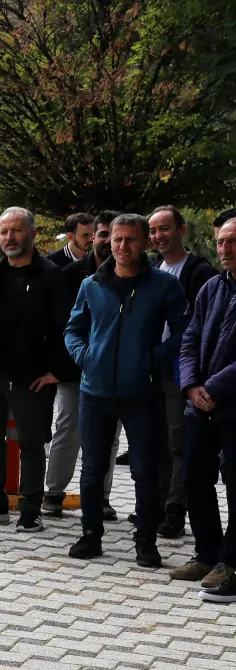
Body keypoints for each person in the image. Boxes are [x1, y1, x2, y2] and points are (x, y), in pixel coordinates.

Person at [65, 213, 188, 567]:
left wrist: (154, 358)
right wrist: (85, 356)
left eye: (130, 240)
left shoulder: (164, 285)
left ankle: (146, 542)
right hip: (95, 391)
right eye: (116, 239)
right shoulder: (92, 284)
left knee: (145, 470)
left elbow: (183, 331)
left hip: (142, 392)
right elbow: (73, 328)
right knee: (92, 469)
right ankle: (90, 536)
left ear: (144, 243)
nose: (122, 246)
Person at [0, 208, 66, 532]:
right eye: (4, 232)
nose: (10, 238)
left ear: (32, 233)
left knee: (31, 444)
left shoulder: (51, 275)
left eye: (17, 231)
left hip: (30, 376)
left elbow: (65, 326)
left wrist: (57, 370)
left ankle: (31, 509)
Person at [44, 211, 121, 519]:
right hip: (75, 369)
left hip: (117, 372)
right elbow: (61, 325)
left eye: (113, 236)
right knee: (66, 428)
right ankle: (53, 492)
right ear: (93, 238)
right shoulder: (73, 274)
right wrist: (65, 366)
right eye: (102, 235)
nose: (107, 242)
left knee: (110, 437)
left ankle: (101, 497)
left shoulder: (141, 276)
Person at [149, 205, 219, 538]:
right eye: (153, 231)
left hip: (180, 371)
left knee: (178, 441)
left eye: (165, 229)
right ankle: (160, 503)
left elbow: (199, 328)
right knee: (155, 441)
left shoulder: (200, 272)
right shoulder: (150, 267)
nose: (158, 236)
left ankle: (177, 509)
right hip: (149, 369)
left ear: (182, 231)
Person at [174, 218, 236, 593]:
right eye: (220, 242)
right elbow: (189, 340)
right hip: (200, 405)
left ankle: (231, 562)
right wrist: (190, 385)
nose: (224, 249)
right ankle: (207, 553)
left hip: (231, 405)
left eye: (232, 241)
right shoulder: (211, 287)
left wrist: (210, 386)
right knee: (195, 480)